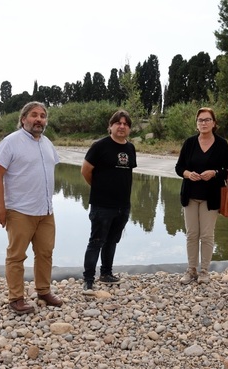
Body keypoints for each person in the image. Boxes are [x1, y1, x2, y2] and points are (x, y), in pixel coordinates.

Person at [0, 101, 63, 315]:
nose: (39, 119)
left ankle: (43, 291)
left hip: (45, 211)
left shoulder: (47, 143)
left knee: (45, 253)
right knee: (16, 256)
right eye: (34, 115)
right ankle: (16, 298)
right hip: (20, 211)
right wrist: (0, 207)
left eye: (42, 116)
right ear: (23, 119)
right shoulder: (10, 143)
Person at [175, 107, 228, 284]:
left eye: (207, 120)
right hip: (190, 194)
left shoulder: (221, 144)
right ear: (196, 124)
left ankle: (204, 271)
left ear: (214, 123)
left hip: (212, 196)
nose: (204, 123)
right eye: (200, 120)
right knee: (192, 234)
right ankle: (191, 270)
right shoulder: (190, 143)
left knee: (207, 235)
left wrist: (215, 173)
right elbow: (179, 167)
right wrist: (187, 174)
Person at [81, 110, 137, 294]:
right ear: (110, 126)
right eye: (118, 123)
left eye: (125, 124)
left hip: (123, 205)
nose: (122, 126)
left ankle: (106, 273)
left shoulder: (130, 148)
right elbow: (85, 171)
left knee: (112, 241)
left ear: (129, 128)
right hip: (102, 205)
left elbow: (127, 174)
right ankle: (88, 279)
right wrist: (98, 188)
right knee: (96, 241)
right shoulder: (100, 146)